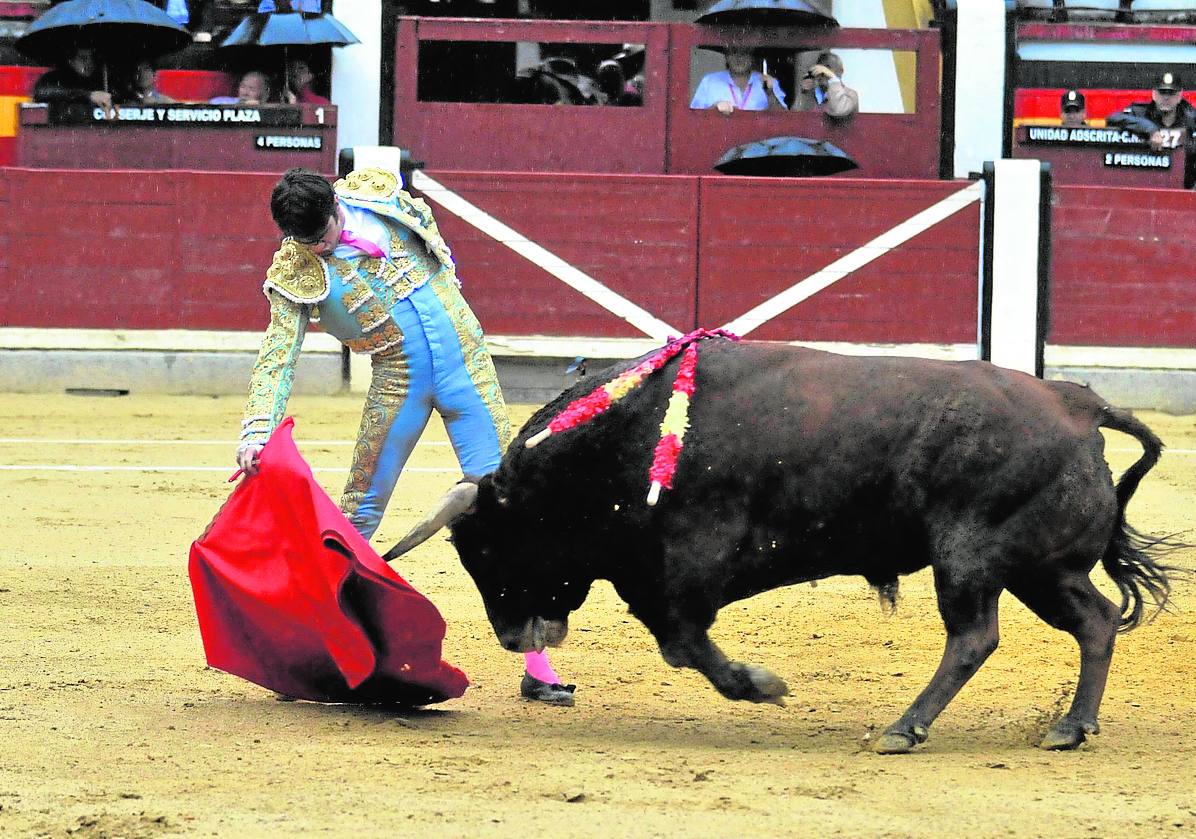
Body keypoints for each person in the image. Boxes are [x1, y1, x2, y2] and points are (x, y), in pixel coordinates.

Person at [235, 167, 578, 706]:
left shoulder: (376, 195)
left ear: (333, 205)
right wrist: (257, 428)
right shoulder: (296, 269)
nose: (319, 248)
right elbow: (278, 357)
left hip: (470, 367)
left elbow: (439, 252)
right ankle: (312, 652)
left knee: (504, 506)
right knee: (357, 513)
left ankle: (538, 665)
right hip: (400, 384)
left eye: (322, 233)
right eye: (305, 242)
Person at [1106, 70, 1196, 188]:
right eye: (1162, 92)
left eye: (1171, 93)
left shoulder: (1192, 119)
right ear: (1154, 94)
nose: (1166, 98)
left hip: (1184, 186)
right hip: (1146, 183)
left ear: (1180, 96)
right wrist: (1149, 129)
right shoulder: (1141, 113)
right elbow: (1113, 118)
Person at [689, 46, 786, 114]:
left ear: (752, 56)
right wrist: (714, 109)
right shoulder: (709, 81)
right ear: (726, 56)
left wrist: (770, 94)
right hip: (720, 141)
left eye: (745, 52)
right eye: (734, 52)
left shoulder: (769, 82)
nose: (739, 58)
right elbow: (692, 119)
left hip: (758, 142)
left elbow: (784, 121)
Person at [32, 47, 117, 118]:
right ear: (71, 61)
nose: (89, 62)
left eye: (92, 58)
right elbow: (43, 92)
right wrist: (88, 96)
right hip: (62, 128)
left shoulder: (101, 79)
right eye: (83, 58)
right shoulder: (54, 77)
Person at [791, 51, 858, 119]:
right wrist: (805, 94)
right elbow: (795, 119)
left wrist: (832, 78)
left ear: (841, 71)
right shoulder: (814, 95)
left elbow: (838, 109)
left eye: (828, 68)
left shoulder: (850, 95)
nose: (823, 72)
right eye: (820, 68)